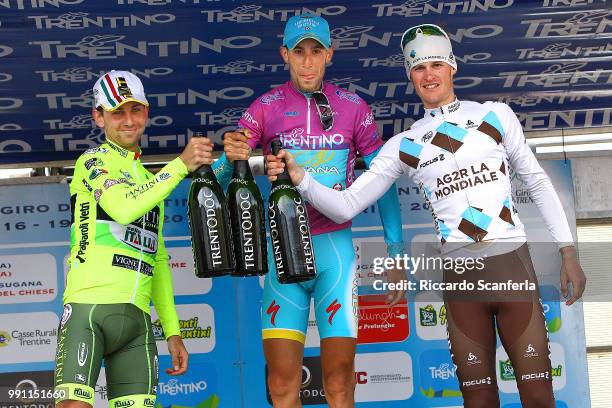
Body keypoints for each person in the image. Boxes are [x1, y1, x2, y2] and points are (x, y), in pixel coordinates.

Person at [266, 24, 587, 408]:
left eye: (436, 64)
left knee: (538, 396)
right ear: (410, 76)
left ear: (452, 66)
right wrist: (301, 178)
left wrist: (568, 251)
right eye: (419, 68)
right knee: (479, 400)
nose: (429, 75)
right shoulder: (406, 143)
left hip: (512, 265)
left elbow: (536, 182)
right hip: (460, 279)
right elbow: (346, 205)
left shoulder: (495, 116)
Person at [223, 13, 406, 408]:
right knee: (282, 382)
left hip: (334, 255)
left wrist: (396, 254)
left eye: (316, 52)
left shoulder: (353, 107)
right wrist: (228, 157)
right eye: (299, 52)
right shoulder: (266, 106)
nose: (307, 61)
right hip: (280, 257)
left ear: (329, 55)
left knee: (339, 382)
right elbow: (226, 173)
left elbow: (383, 179)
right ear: (285, 54)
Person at [54, 70, 232, 408]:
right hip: (88, 309)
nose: (128, 120)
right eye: (117, 112)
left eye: (135, 110)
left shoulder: (150, 182)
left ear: (147, 112)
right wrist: (180, 165)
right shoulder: (91, 161)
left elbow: (158, 259)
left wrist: (173, 331)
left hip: (137, 322)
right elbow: (122, 207)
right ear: (98, 116)